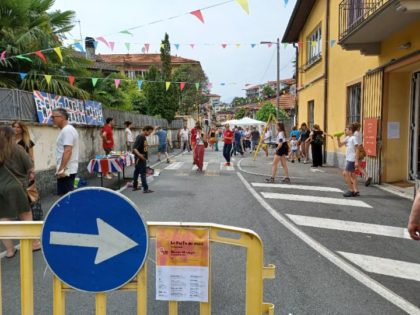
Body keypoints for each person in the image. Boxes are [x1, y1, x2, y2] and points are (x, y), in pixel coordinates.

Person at [0, 126, 41, 258]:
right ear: (11, 137)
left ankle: (10, 251)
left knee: (3, 219)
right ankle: (34, 243)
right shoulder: (17, 149)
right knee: (25, 216)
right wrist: (30, 178)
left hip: (1, 188)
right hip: (17, 188)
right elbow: (30, 168)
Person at [52, 108, 79, 196]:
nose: (52, 119)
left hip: (66, 171)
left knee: (66, 198)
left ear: (62, 117)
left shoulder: (67, 130)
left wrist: (61, 169)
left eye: (53, 117)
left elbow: (68, 150)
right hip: (67, 170)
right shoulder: (67, 130)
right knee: (66, 197)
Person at [336, 124, 359, 197]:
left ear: (351, 130)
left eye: (346, 129)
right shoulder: (347, 138)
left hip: (352, 159)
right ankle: (355, 190)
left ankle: (351, 190)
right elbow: (340, 145)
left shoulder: (353, 138)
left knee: (345, 173)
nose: (345, 130)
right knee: (352, 175)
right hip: (348, 158)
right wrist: (338, 138)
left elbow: (357, 149)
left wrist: (356, 161)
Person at [132, 125, 154, 193]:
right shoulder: (140, 137)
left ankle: (135, 186)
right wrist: (140, 155)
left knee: (136, 172)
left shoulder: (143, 137)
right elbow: (134, 148)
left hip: (141, 158)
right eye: (149, 132)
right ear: (145, 130)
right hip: (140, 158)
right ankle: (145, 189)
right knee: (143, 173)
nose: (149, 134)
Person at [353, 122, 372, 186]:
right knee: (358, 166)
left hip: (357, 149)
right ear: (358, 127)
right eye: (360, 127)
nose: (360, 128)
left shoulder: (355, 134)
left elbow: (355, 143)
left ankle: (366, 176)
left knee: (356, 165)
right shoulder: (360, 133)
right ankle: (364, 177)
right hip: (361, 148)